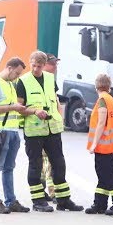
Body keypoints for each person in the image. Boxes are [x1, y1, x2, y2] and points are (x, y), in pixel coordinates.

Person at [15, 51, 81, 212]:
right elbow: (19, 108)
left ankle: (63, 200)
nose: (36, 69)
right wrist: (35, 111)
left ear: (44, 65)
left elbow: (55, 100)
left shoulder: (50, 79)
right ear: (30, 63)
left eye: (39, 66)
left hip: (53, 128)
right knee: (35, 166)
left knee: (59, 164)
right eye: (33, 65)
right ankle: (38, 201)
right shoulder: (23, 82)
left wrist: (59, 117)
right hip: (34, 131)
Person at [0, 57, 32, 214]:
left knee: (9, 167)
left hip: (12, 131)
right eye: (16, 73)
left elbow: (12, 107)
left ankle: (11, 201)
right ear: (9, 68)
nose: (17, 77)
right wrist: (13, 107)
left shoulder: (10, 83)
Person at [85, 74, 113, 215]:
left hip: (103, 147)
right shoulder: (111, 100)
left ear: (96, 86)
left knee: (110, 176)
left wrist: (94, 144)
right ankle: (100, 204)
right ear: (109, 86)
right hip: (109, 146)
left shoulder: (102, 100)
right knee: (103, 176)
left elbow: (102, 123)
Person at [40, 53, 66, 198]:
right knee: (47, 161)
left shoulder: (50, 80)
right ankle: (52, 192)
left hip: (52, 125)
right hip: (40, 127)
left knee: (47, 161)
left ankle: (47, 190)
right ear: (45, 64)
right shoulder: (36, 80)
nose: (55, 67)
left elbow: (55, 102)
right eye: (53, 64)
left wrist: (59, 120)